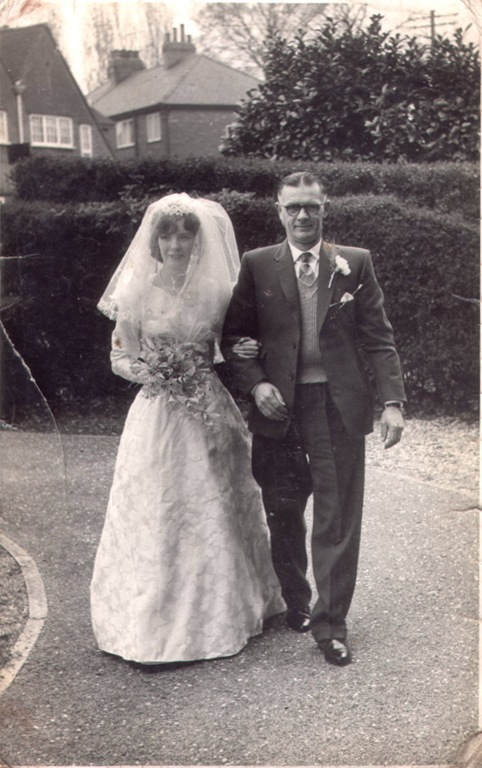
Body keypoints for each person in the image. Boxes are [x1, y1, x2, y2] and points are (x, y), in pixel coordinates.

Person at [90, 193, 285, 665]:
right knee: (158, 504)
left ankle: (228, 610)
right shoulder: (136, 289)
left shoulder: (217, 289)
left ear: (197, 240)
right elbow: (120, 358)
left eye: (185, 234)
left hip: (207, 408)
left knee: (214, 503)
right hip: (157, 412)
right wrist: (155, 373)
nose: (176, 242)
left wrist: (241, 352)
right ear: (154, 239)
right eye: (167, 233)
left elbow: (232, 340)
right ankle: (149, 624)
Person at [221, 171, 406, 666]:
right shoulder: (258, 264)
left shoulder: (354, 264)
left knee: (337, 516)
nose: (303, 216)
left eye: (312, 207)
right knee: (283, 511)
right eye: (292, 208)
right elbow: (234, 337)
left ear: (326, 209)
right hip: (277, 409)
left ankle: (332, 625)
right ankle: (297, 602)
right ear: (278, 211)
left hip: (336, 406)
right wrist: (257, 382)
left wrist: (392, 402)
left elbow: (379, 339)